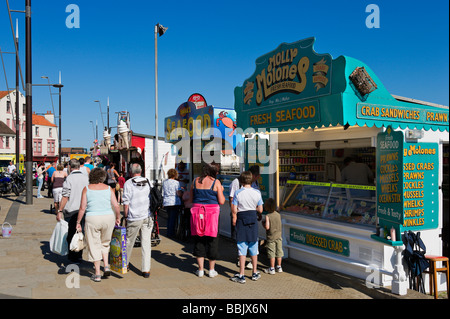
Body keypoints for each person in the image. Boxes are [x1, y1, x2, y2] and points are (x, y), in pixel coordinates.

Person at [76, 168, 121, 282]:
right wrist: (118, 217)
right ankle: (106, 265)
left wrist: (78, 222)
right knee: (105, 243)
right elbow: (116, 205)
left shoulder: (86, 189)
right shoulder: (109, 188)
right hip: (108, 217)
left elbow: (82, 208)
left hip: (92, 218)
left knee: (94, 244)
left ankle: (97, 273)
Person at [189, 162, 225, 278]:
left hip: (197, 212)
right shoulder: (216, 182)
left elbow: (191, 199)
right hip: (212, 214)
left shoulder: (195, 181)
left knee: (199, 240)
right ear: (213, 172)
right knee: (212, 240)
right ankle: (211, 269)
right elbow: (222, 201)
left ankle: (200, 270)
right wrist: (222, 190)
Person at [230, 171, 264, 284]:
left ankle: (241, 274)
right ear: (251, 180)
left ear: (241, 181)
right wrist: (257, 212)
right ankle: (254, 272)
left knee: (242, 248)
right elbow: (260, 209)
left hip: (241, 219)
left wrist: (234, 218)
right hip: (253, 220)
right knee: (254, 247)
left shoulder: (238, 193)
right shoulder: (257, 192)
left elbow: (234, 209)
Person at [123, 163, 153, 278]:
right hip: (147, 216)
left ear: (131, 172)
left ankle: (125, 264)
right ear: (141, 171)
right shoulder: (148, 181)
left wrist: (125, 217)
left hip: (134, 217)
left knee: (129, 242)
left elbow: (126, 203)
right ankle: (146, 269)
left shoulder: (128, 183)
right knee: (146, 243)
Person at [57, 159, 89, 264]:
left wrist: (60, 210)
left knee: (71, 233)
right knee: (81, 233)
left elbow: (65, 196)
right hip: (84, 210)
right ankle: (79, 254)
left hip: (71, 210)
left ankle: (72, 256)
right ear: (79, 167)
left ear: (70, 167)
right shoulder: (86, 178)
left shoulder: (69, 179)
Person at [261, 198, 283, 275]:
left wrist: (263, 224)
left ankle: (272, 268)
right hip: (279, 236)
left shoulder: (268, 216)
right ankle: (279, 267)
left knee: (272, 252)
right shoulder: (278, 215)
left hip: (271, 237)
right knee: (279, 252)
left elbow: (267, 227)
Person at [162, 168, 183, 238]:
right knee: (173, 218)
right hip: (174, 202)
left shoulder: (164, 182)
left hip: (167, 202)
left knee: (169, 217)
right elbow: (179, 193)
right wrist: (182, 191)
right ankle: (171, 233)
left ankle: (169, 231)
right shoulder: (176, 183)